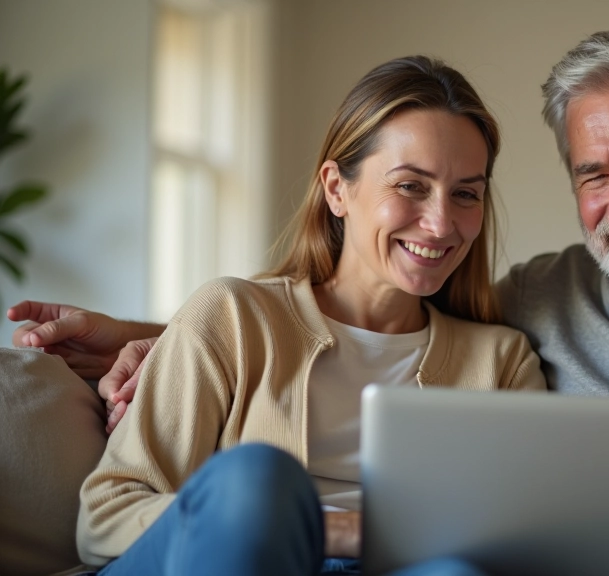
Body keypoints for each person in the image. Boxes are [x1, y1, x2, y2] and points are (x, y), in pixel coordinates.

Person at [10, 22, 609, 576]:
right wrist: (158, 338)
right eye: (594, 174)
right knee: (266, 487)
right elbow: (310, 314)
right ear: (337, 187)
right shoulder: (547, 298)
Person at [34, 55, 545, 576]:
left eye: (465, 194)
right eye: (410, 185)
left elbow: (533, 534)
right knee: (258, 478)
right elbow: (104, 520)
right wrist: (328, 529)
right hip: (232, 558)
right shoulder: (232, 315)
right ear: (336, 188)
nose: (440, 224)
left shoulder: (502, 362)